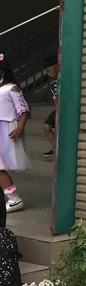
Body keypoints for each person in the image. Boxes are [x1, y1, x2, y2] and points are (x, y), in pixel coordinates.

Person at [0, 54, 30, 213]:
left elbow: (24, 110)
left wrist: (19, 128)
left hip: (6, 130)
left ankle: (14, 199)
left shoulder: (11, 88)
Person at [42, 53, 59, 158]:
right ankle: (54, 147)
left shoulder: (63, 79)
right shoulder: (55, 82)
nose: (48, 74)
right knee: (46, 126)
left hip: (62, 108)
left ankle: (57, 148)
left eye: (49, 71)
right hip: (57, 108)